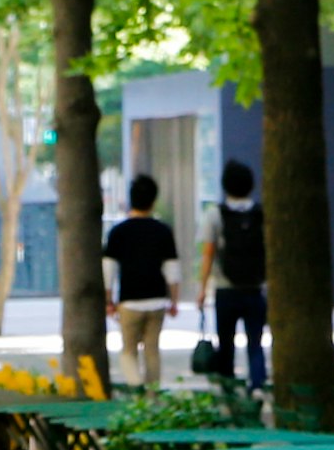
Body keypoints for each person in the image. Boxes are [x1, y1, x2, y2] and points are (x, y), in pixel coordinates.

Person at [103, 173, 181, 391]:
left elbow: (108, 270)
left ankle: (136, 387)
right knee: (152, 351)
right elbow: (172, 270)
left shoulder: (118, 232)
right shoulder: (163, 231)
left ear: (130, 199)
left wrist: (109, 300)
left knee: (128, 351)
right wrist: (173, 301)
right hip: (157, 300)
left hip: (129, 301)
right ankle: (153, 396)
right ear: (153, 200)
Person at [199, 161, 267, 390]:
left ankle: (228, 389)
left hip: (225, 289)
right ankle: (257, 386)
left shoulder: (215, 214)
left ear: (225, 186)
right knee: (255, 343)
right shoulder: (260, 214)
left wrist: (202, 289)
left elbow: (208, 254)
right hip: (255, 287)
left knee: (225, 343)